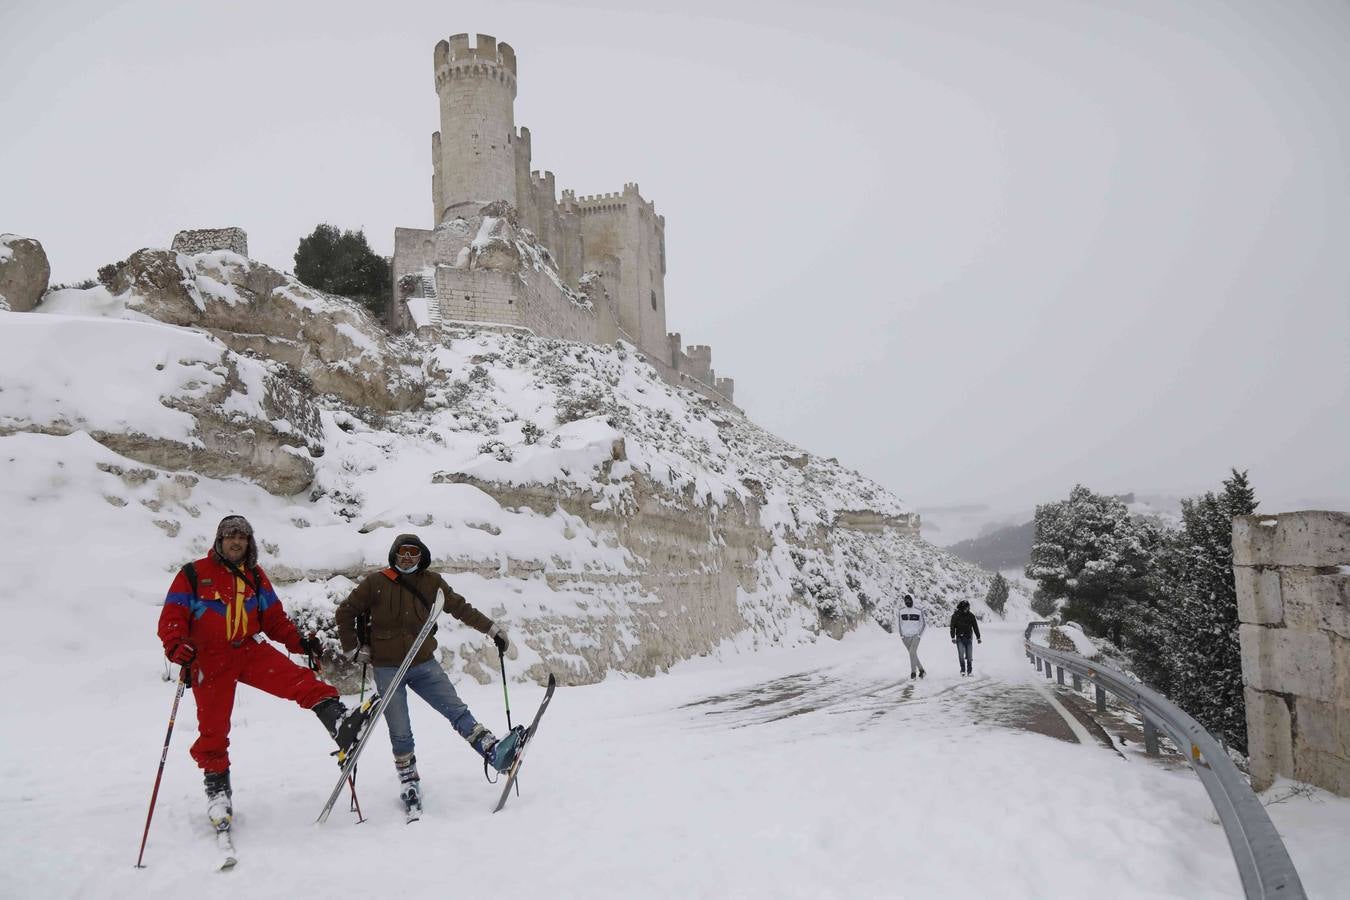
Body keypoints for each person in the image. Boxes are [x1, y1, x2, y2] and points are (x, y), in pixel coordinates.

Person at [158, 515, 374, 833]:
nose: (236, 542)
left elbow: (274, 620)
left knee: (303, 682)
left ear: (249, 543)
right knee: (213, 729)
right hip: (209, 658)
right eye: (230, 536)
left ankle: (341, 724)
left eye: (242, 537)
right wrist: (176, 646)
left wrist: (299, 642)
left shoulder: (255, 576)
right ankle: (218, 793)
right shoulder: (193, 574)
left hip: (249, 649)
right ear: (219, 540)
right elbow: (172, 616)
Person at [334, 533, 521, 818]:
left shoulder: (432, 583)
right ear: (394, 555)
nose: (408, 558)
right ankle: (408, 780)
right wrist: (352, 649)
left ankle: (491, 750)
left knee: (456, 710)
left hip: (422, 663)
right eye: (403, 552)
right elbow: (346, 611)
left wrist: (492, 629)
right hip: (387, 667)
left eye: (414, 553)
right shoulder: (376, 582)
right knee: (400, 729)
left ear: (422, 556)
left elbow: (461, 608)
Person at [895, 593, 926, 678]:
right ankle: (922, 670)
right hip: (905, 637)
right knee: (913, 654)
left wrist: (919, 635)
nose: (907, 601)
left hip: (915, 636)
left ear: (912, 600)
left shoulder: (918, 611)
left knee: (912, 652)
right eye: (906, 600)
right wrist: (901, 635)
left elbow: (924, 624)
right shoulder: (901, 611)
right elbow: (899, 623)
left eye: (909, 600)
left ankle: (913, 673)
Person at [949, 599, 982, 676]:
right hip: (959, 638)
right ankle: (963, 670)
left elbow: (975, 627)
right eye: (967, 607)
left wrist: (978, 637)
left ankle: (969, 671)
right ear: (962, 607)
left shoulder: (971, 616)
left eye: (968, 607)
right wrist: (952, 637)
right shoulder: (955, 616)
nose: (968, 608)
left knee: (969, 655)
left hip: (969, 637)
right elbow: (952, 627)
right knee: (961, 654)